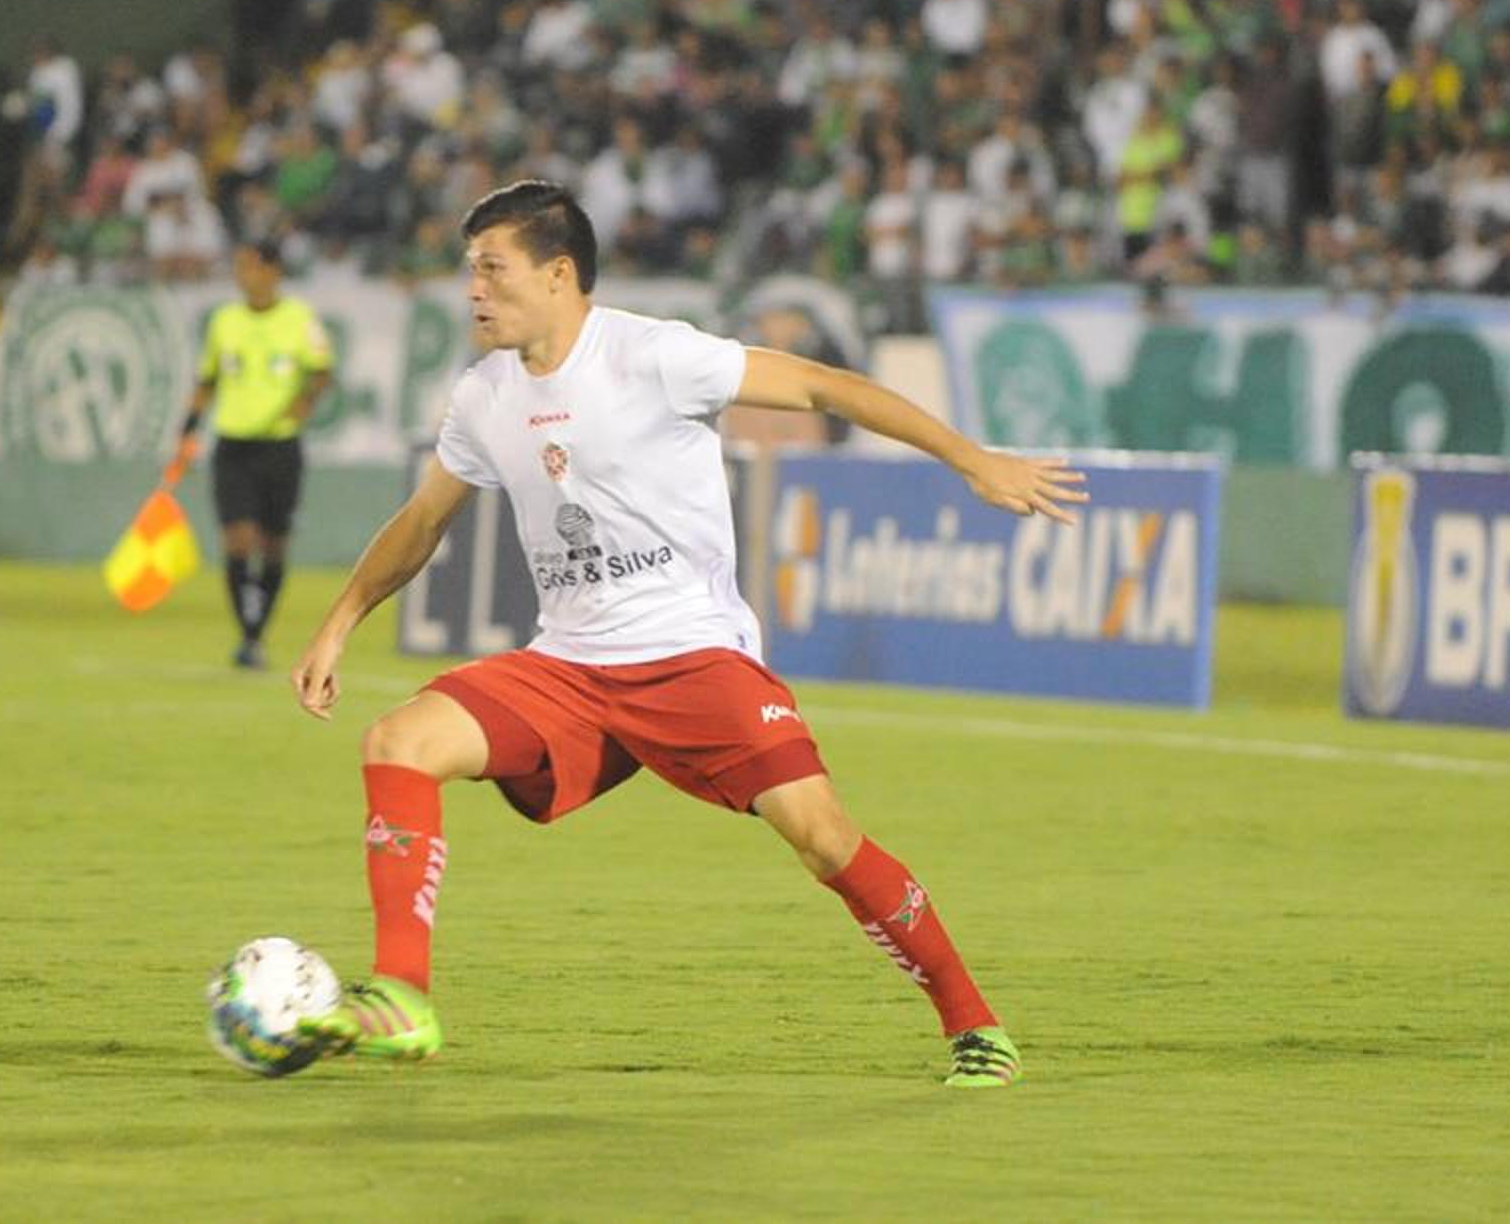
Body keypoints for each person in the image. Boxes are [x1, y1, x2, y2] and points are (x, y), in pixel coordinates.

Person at [289, 182, 1088, 1087]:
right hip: (570, 667)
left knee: (824, 837)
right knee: (398, 741)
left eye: (491, 269)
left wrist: (973, 460)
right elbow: (424, 520)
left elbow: (826, 386)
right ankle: (401, 995)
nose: (473, 289)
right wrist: (338, 624)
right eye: (470, 270)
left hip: (692, 655)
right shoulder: (484, 394)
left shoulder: (655, 356)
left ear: (558, 275)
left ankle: (975, 1025)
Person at [177, 238, 333, 669]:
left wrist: (299, 408)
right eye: (239, 268)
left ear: (272, 272)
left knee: (274, 544)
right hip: (233, 445)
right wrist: (187, 429)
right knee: (238, 538)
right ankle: (248, 634)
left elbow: (321, 372)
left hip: (280, 446)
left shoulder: (299, 318)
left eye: (249, 267)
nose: (242, 277)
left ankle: (257, 630)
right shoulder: (224, 321)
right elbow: (207, 379)